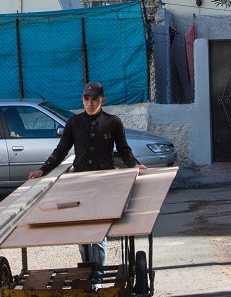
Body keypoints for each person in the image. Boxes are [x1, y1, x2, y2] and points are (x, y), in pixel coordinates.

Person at [28, 81, 146, 267]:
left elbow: (123, 149)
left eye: (94, 99)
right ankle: (87, 269)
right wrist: (42, 169)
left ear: (102, 100)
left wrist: (135, 166)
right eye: (86, 99)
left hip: (104, 182)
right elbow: (61, 150)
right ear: (82, 100)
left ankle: (98, 275)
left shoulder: (113, 122)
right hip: (79, 182)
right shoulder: (74, 122)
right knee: (81, 230)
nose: (90, 103)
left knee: (99, 232)